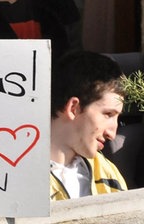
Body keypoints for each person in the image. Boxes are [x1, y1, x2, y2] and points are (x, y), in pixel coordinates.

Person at [50, 50, 127, 200]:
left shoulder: (107, 171)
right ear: (74, 108)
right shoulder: (15, 177)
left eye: (118, 118)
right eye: (108, 114)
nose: (112, 133)